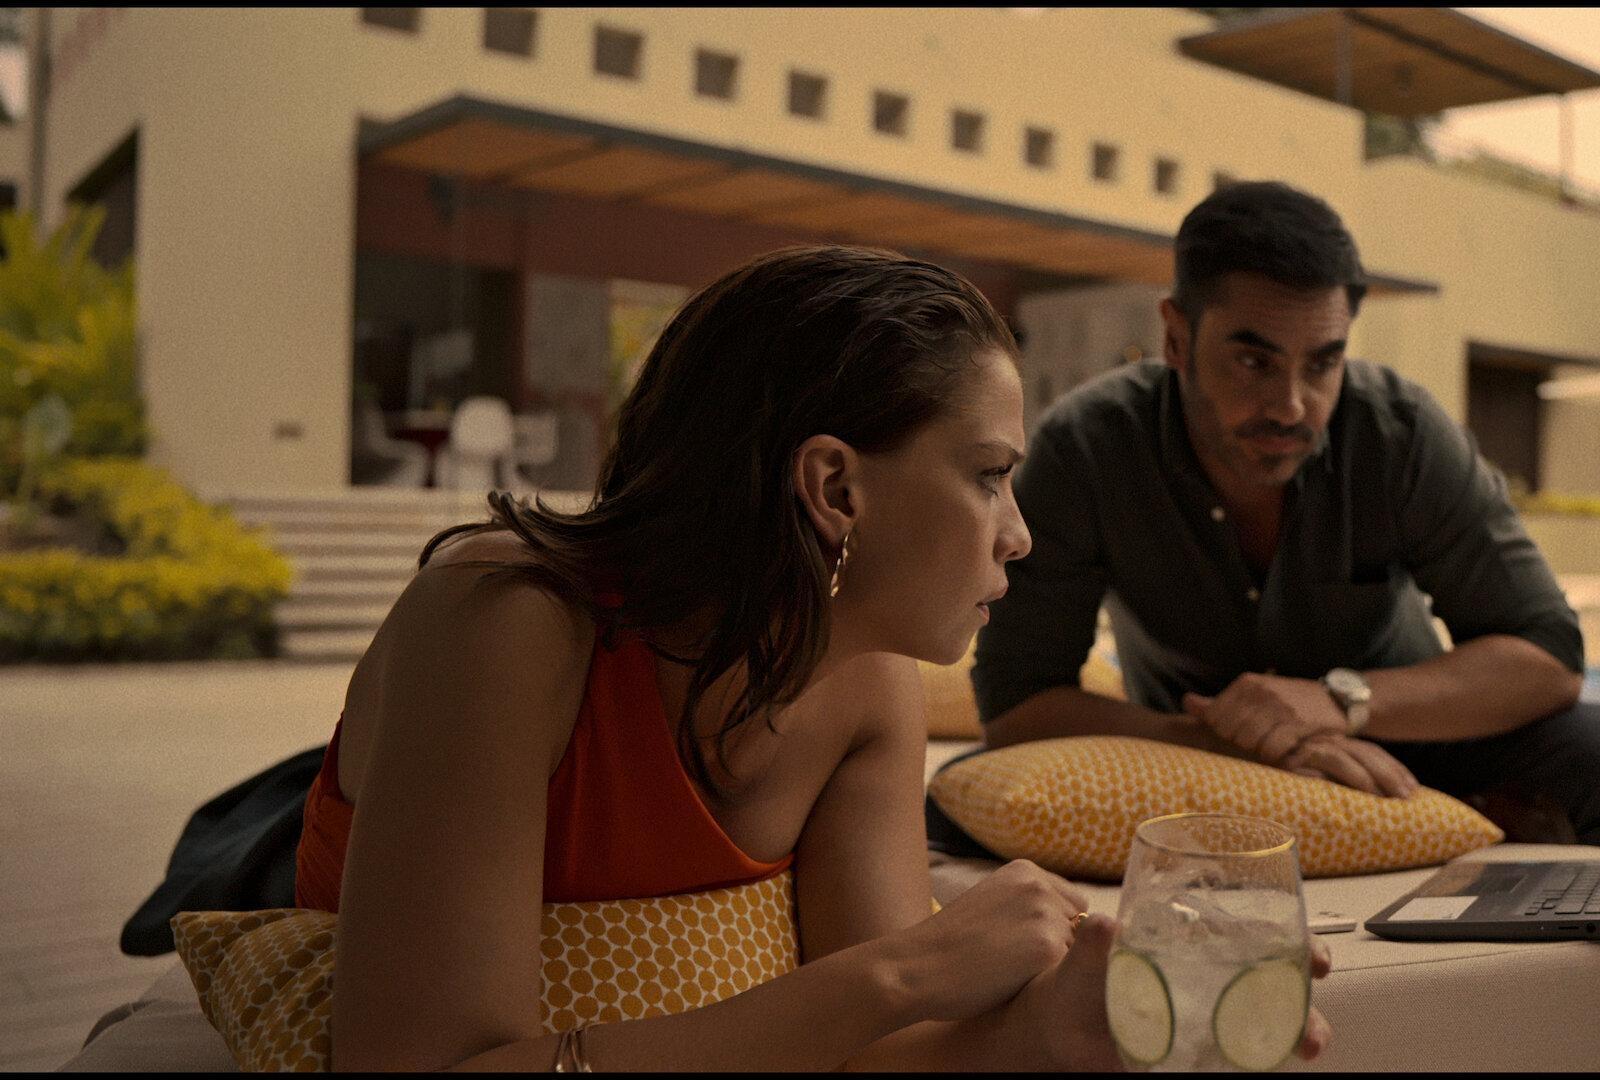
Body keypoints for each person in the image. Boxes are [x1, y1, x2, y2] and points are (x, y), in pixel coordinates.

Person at [294, 244, 1336, 1071]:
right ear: (835, 488)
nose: (1019, 535)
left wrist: (1052, 1032)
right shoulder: (502, 626)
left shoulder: (871, 682)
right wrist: (902, 972)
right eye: (988, 476)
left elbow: (874, 1058)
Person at [963, 182, 1600, 857]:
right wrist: (1231, 742)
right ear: (1177, 338)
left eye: (1322, 364)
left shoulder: (1398, 432)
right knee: (953, 805)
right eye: (1254, 362)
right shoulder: (1089, 449)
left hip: (1403, 740)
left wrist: (1339, 702)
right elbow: (1016, 706)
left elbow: (1549, 656)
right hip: (1191, 752)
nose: (1292, 406)